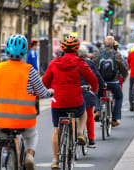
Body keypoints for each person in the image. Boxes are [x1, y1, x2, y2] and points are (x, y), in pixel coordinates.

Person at [0, 34, 54, 170]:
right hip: (24, 119)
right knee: (31, 135)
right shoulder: (29, 71)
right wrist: (51, 91)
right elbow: (43, 93)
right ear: (24, 52)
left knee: (1, 135)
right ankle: (29, 155)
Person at [42, 35, 98, 169]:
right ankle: (79, 132)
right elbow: (92, 78)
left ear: (63, 48)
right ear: (76, 48)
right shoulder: (80, 62)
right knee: (83, 112)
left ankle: (55, 160)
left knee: (56, 130)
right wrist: (94, 89)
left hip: (58, 101)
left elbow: (44, 82)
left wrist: (50, 89)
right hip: (75, 100)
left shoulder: (54, 63)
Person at [92, 36, 128, 127]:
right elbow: (123, 68)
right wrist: (124, 76)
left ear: (104, 44)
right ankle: (115, 119)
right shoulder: (117, 54)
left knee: (97, 94)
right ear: (113, 44)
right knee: (119, 97)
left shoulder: (97, 54)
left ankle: (97, 110)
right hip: (113, 82)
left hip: (101, 82)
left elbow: (93, 67)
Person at [77, 45, 104, 148]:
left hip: (75, 92)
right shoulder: (89, 63)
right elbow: (97, 76)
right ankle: (91, 140)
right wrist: (101, 85)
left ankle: (74, 135)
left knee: (74, 115)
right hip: (87, 92)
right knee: (89, 114)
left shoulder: (72, 63)